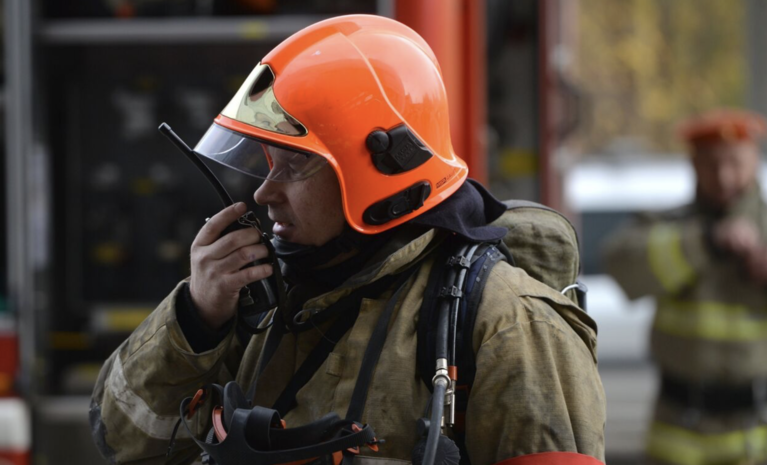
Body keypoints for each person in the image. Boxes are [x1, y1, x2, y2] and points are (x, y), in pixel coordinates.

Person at [90, 15, 605, 465]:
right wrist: (196, 322)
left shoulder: (510, 325)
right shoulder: (260, 307)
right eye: (269, 162)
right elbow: (126, 444)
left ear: (379, 169)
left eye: (295, 164)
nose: (265, 192)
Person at [603, 109, 767, 464]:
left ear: (755, 160)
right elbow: (621, 266)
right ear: (693, 165)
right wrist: (706, 241)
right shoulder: (668, 226)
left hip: (757, 430)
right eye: (711, 164)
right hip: (677, 428)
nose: (723, 177)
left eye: (735, 163)